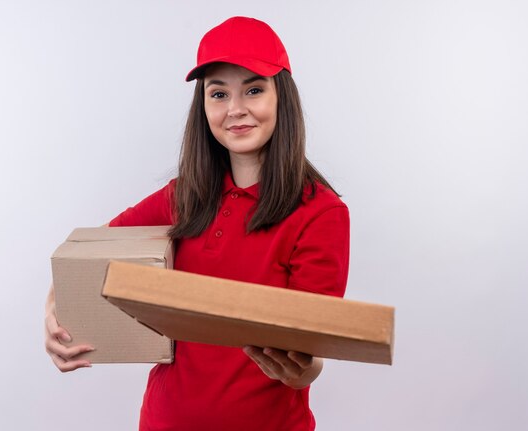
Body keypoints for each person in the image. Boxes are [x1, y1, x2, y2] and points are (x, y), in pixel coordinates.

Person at [45, 16, 349, 431]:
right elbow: (89, 253)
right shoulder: (184, 196)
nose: (235, 109)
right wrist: (55, 309)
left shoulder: (320, 214)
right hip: (164, 421)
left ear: (283, 98)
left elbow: (313, 351)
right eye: (218, 93)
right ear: (203, 105)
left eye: (254, 90)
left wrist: (301, 372)